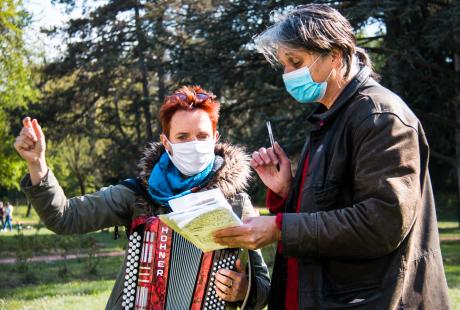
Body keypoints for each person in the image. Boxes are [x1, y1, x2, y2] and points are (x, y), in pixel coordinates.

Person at [213, 4, 451, 309]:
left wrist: (280, 227)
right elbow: (336, 205)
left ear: (335, 55)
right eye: (284, 64)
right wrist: (288, 191)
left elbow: (381, 222)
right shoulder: (331, 117)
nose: (287, 74)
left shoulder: (380, 117)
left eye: (295, 61)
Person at [15, 85, 270, 309]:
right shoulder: (137, 195)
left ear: (214, 139)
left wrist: (244, 289)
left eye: (202, 136)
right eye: (182, 137)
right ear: (166, 142)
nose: (193, 144)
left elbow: (263, 287)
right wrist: (38, 164)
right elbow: (65, 217)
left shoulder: (236, 204)